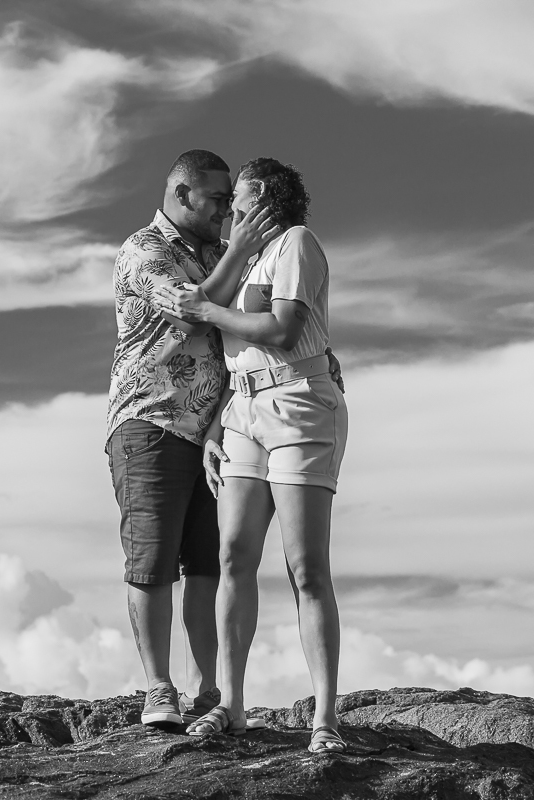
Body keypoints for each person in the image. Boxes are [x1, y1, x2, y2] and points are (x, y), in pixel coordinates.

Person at [153, 158, 349, 753]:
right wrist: (217, 424)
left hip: (299, 402)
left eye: (236, 194)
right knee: (234, 554)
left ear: (263, 196)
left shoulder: (295, 243)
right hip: (242, 412)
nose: (228, 203)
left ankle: (325, 720)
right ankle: (230, 708)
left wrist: (209, 311)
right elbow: (237, 354)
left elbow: (283, 330)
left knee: (305, 566)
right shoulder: (238, 259)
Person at [106, 149, 288, 727]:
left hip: (220, 431)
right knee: (153, 558)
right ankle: (159, 689)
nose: (224, 211)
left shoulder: (217, 251)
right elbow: (189, 313)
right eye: (216, 200)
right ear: (181, 194)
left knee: (210, 561)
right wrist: (238, 251)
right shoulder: (144, 249)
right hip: (150, 422)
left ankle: (209, 689)